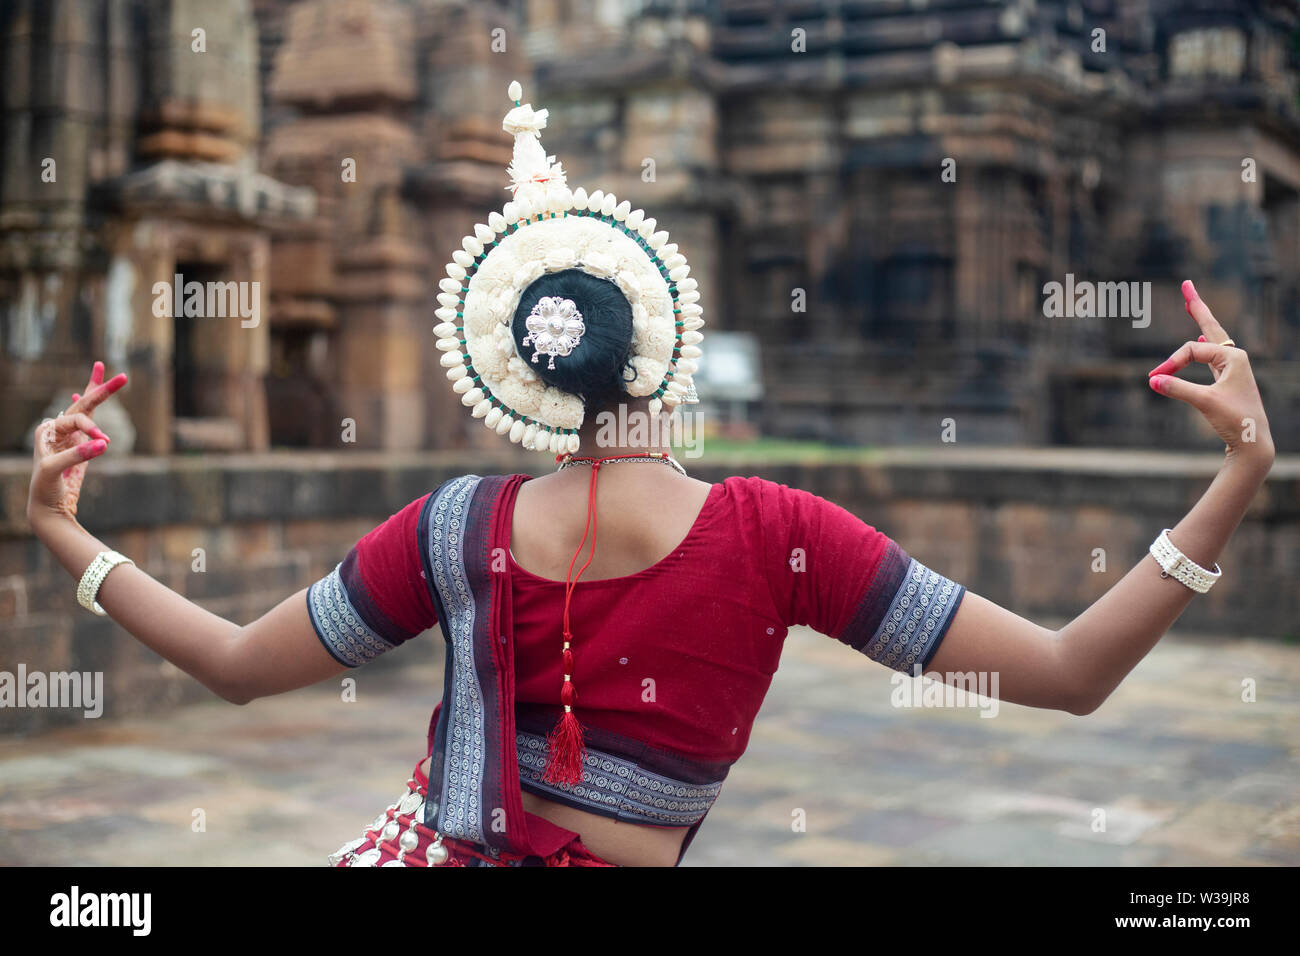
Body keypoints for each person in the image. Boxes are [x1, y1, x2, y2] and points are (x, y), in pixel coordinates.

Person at [25, 84, 1275, 867]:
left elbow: (239, 668)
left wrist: (66, 534)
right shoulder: (779, 531)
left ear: (520, 372)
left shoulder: (455, 525)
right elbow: (1069, 675)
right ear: (671, 347)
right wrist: (1234, 474)